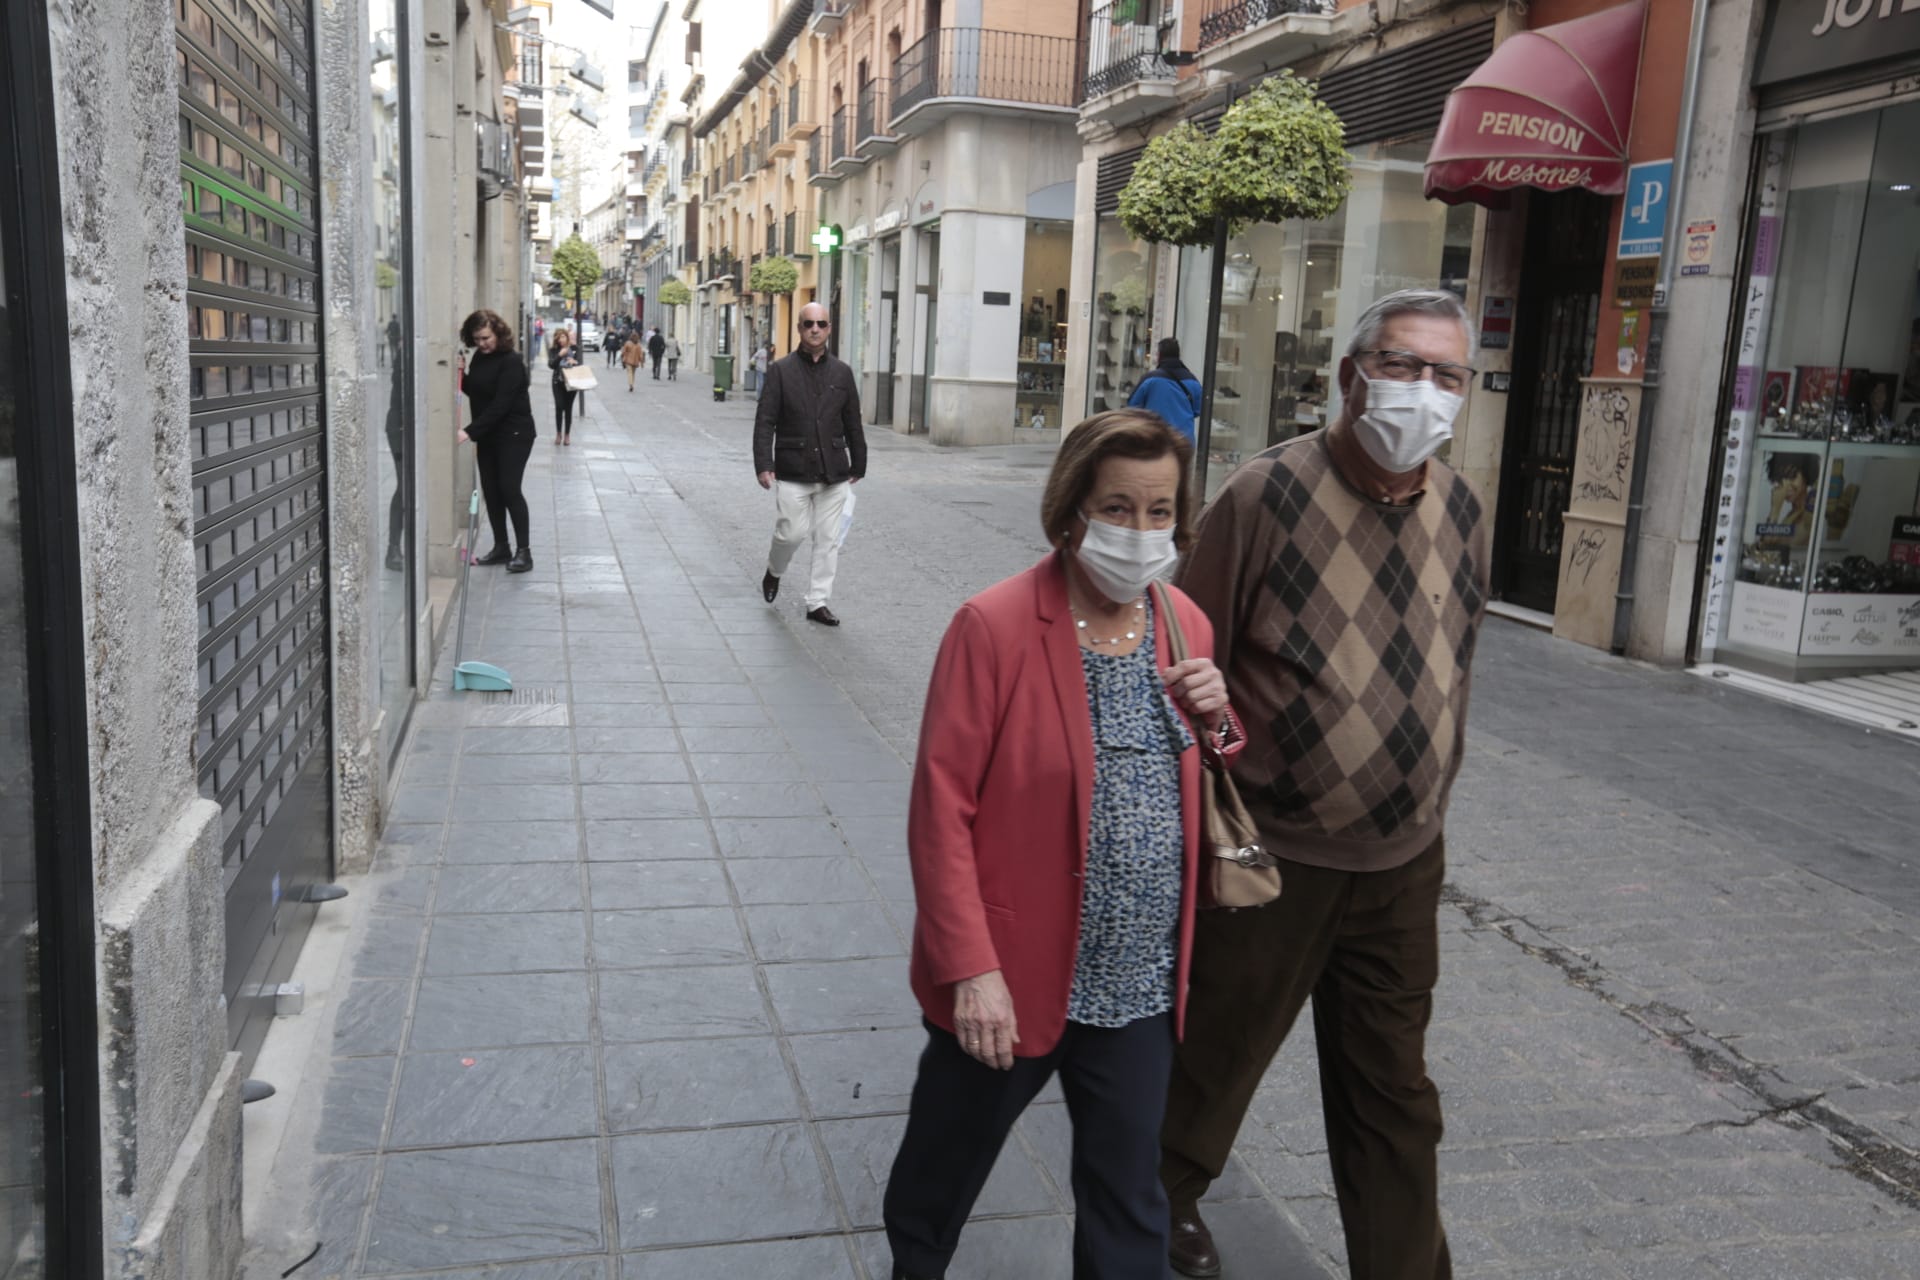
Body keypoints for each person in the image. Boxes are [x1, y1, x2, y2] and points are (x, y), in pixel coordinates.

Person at [1158, 289, 1491, 1280]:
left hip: (1403, 862)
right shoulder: (1267, 496)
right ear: (1352, 374)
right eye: (1402, 364)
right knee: (1211, 1060)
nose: (1423, 392)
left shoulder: (1464, 510)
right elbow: (1179, 651)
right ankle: (1148, 1210)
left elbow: (1455, 663)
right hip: (1270, 849)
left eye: (1447, 375)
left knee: (1395, 1098)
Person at [883, 409, 1243, 1280]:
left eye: (1161, 512)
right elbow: (941, 811)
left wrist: (1219, 714)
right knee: (941, 1175)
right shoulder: (995, 626)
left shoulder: (1183, 621)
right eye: (1118, 508)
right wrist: (971, 970)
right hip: (1014, 975)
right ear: (1071, 511)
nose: (1141, 530)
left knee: (1130, 1205)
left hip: (1138, 984)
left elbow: (1218, 763)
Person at [754, 303, 864, 626]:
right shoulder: (780, 371)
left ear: (829, 329)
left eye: (821, 324)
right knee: (791, 534)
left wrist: (860, 461)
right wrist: (764, 463)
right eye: (808, 324)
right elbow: (766, 422)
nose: (815, 329)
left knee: (828, 540)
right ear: (800, 329)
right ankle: (774, 571)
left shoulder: (842, 373)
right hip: (792, 470)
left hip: (834, 472)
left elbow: (852, 421)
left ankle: (818, 602)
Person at [457, 309, 537, 574]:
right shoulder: (480, 358)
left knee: (509, 489)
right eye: (477, 339)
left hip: (514, 434)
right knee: (491, 491)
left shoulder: (511, 361)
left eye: (486, 338)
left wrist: (469, 431)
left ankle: (524, 552)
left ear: (498, 333)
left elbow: (501, 404)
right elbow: (478, 391)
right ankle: (501, 546)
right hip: (489, 434)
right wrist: (462, 377)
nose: (482, 344)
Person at [1127, 338, 1204, 446]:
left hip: (1156, 439)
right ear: (1178, 355)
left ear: (1160, 356)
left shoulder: (1150, 379)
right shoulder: (1193, 381)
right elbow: (1197, 410)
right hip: (1184, 443)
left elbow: (1132, 406)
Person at [547, 328, 582, 445]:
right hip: (558, 382)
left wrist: (575, 362)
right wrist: (559, 355)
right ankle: (558, 433)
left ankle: (567, 435)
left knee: (568, 408)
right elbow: (551, 365)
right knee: (559, 405)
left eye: (563, 337)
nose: (561, 340)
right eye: (558, 338)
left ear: (567, 337)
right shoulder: (553, 350)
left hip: (571, 383)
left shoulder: (575, 349)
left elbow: (580, 364)